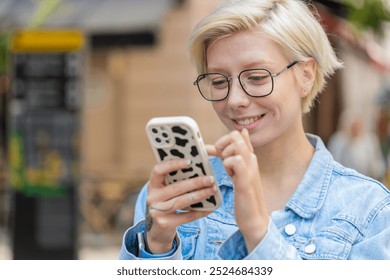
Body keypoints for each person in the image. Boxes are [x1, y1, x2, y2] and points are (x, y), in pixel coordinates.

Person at [120, 0, 390, 260]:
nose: (235, 99)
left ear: (306, 75)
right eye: (218, 80)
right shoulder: (173, 195)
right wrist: (156, 248)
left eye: (257, 77)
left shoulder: (370, 210)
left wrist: (259, 232)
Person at [328, 108, 387, 181]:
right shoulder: (338, 141)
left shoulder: (370, 140)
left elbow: (379, 165)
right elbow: (334, 164)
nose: (356, 128)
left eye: (358, 124)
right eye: (354, 125)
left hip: (367, 181)